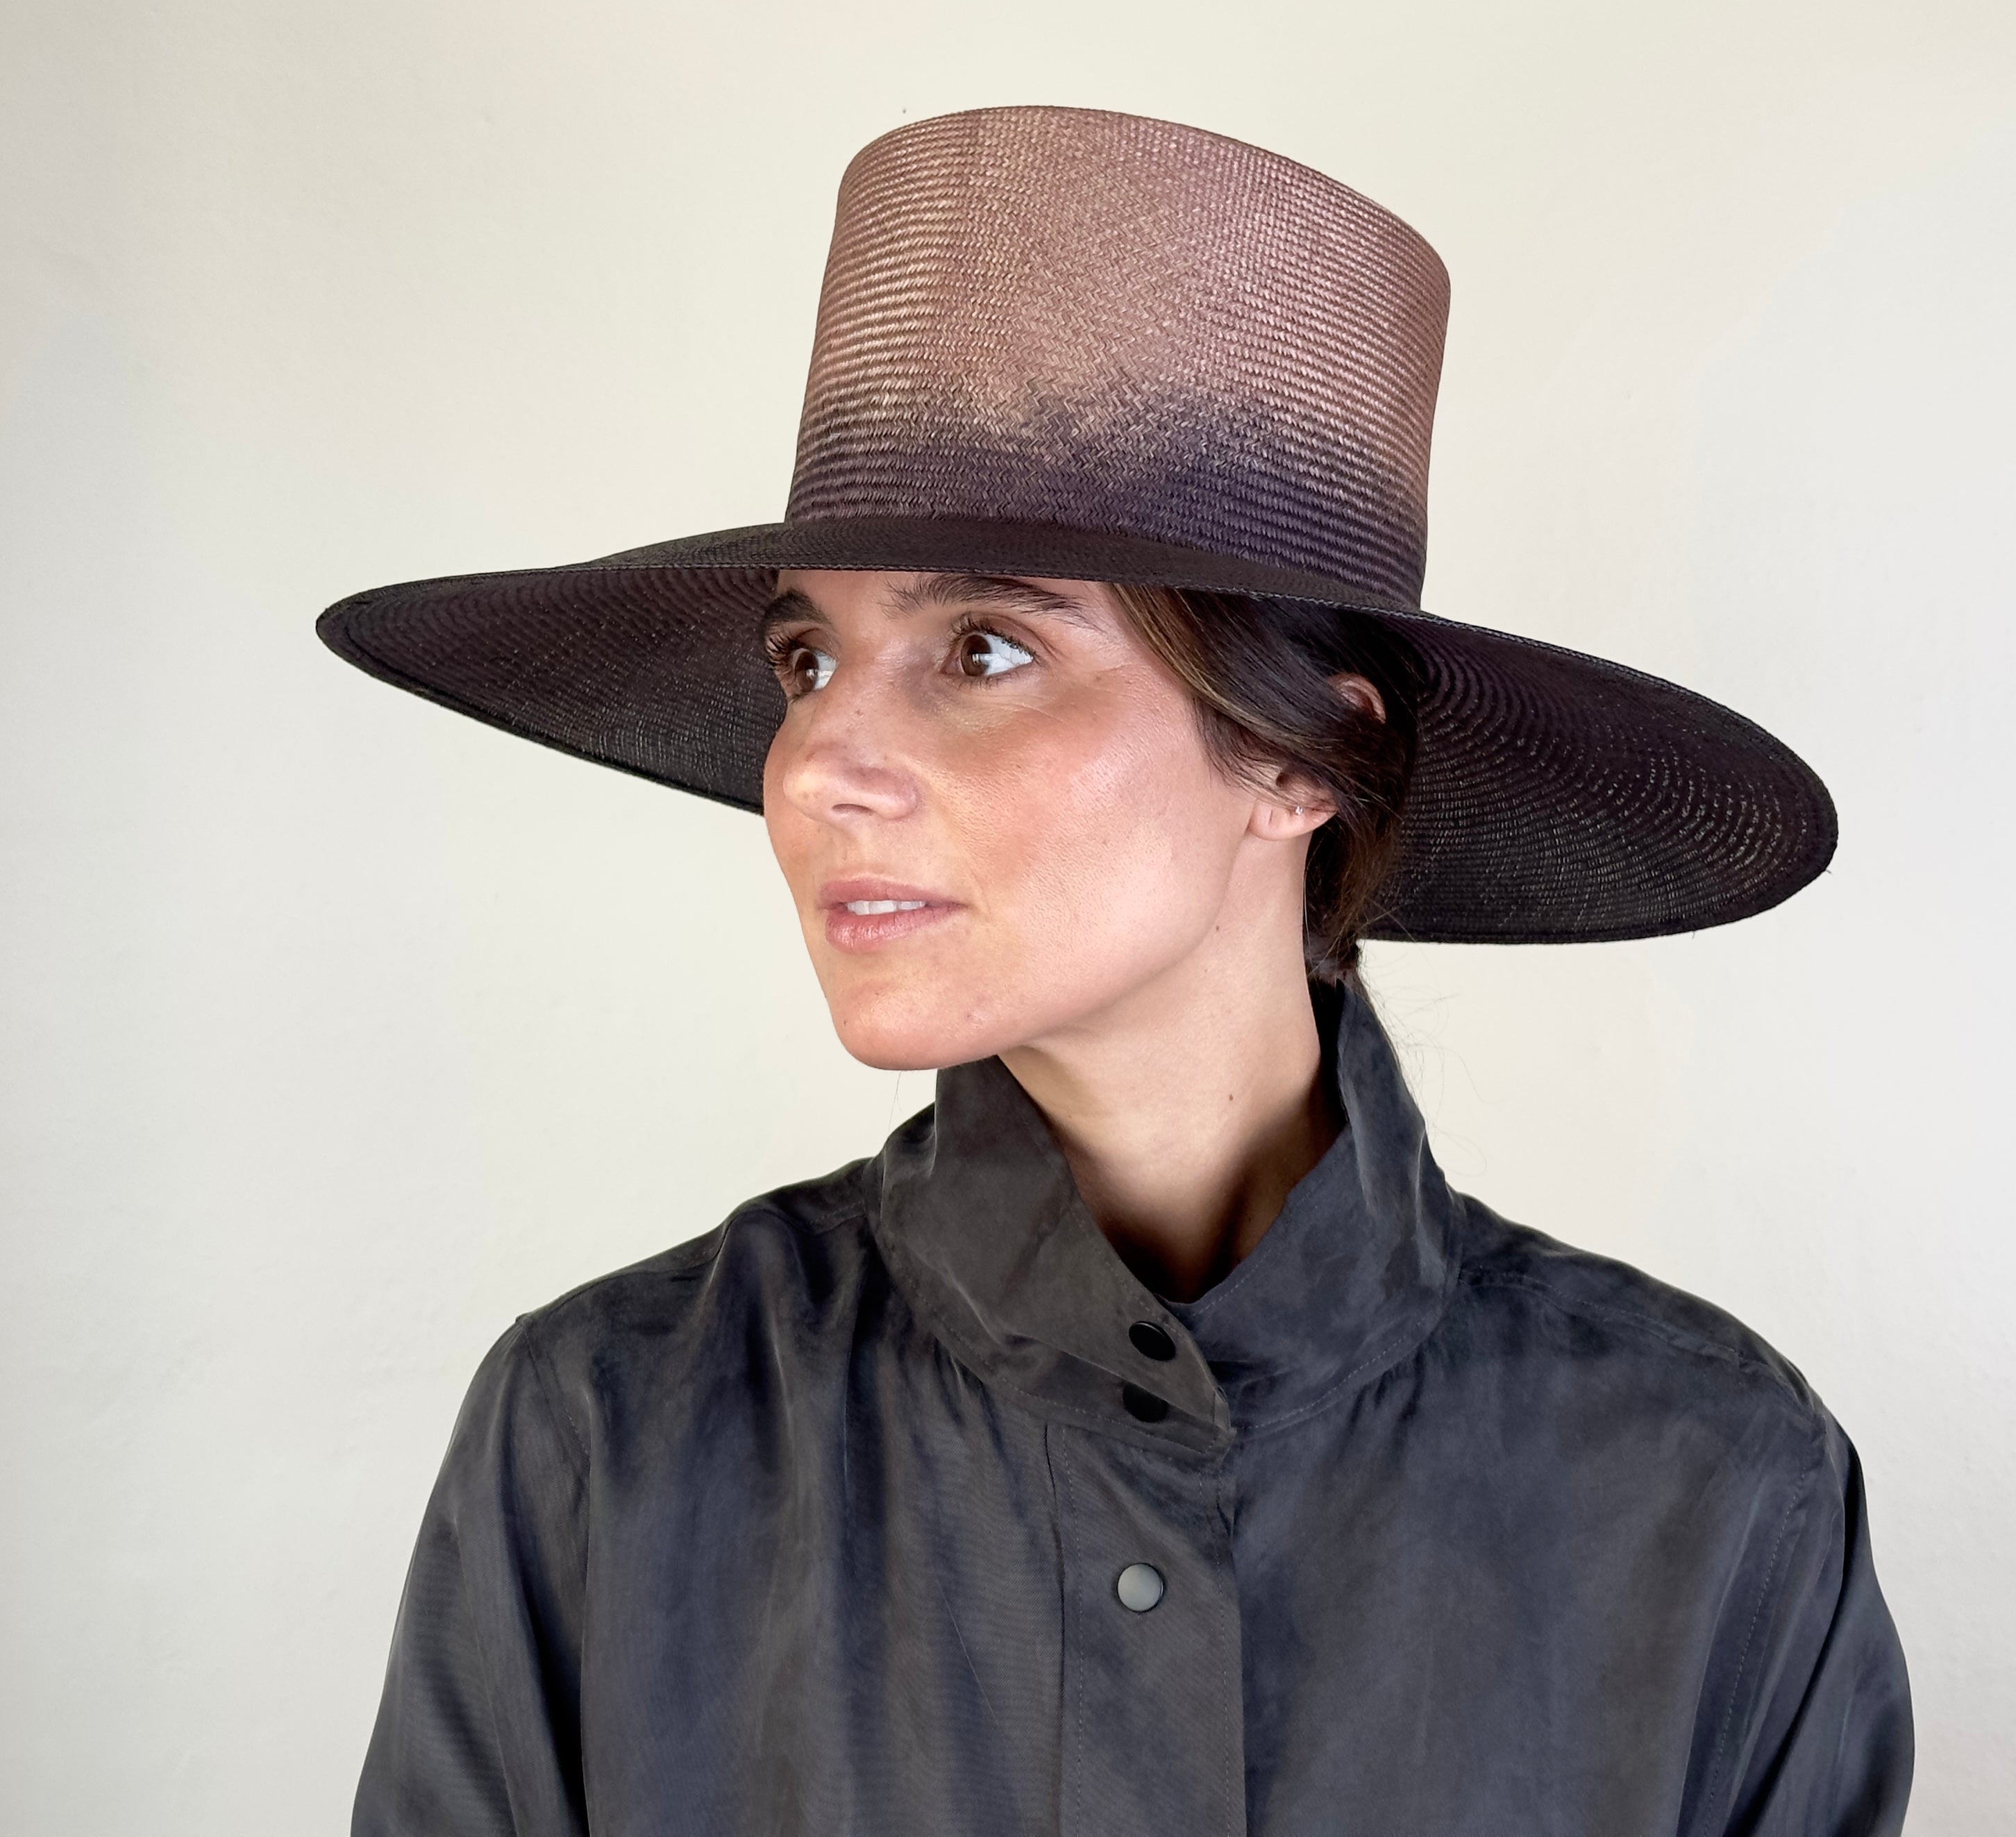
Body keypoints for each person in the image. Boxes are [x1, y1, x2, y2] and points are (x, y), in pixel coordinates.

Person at [322, 106, 1912, 1836]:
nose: (816, 766)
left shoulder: (1708, 1490)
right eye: (805, 659)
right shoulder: (611, 1438)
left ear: (1300, 758)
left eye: (982, 647)